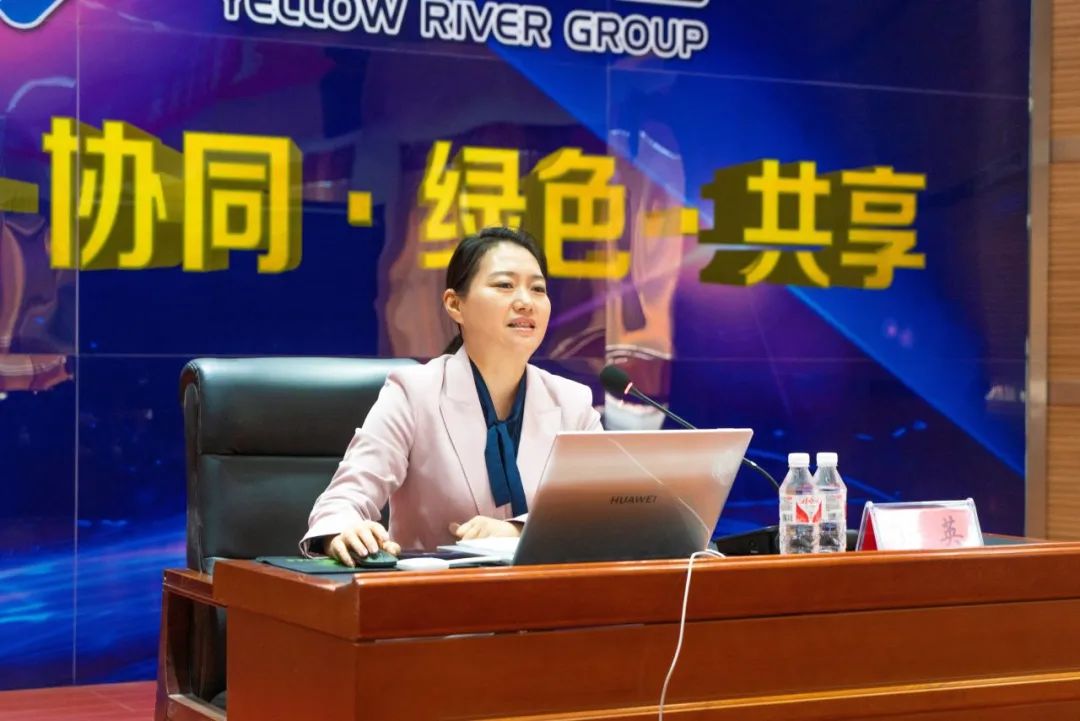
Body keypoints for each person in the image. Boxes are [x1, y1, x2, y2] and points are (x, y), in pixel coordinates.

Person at [301, 226, 602, 565]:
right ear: (455, 304)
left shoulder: (573, 403)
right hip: (435, 592)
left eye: (538, 289)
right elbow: (343, 500)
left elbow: (601, 514)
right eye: (504, 285)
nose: (525, 302)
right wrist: (345, 530)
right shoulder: (413, 393)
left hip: (550, 592)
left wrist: (519, 530)